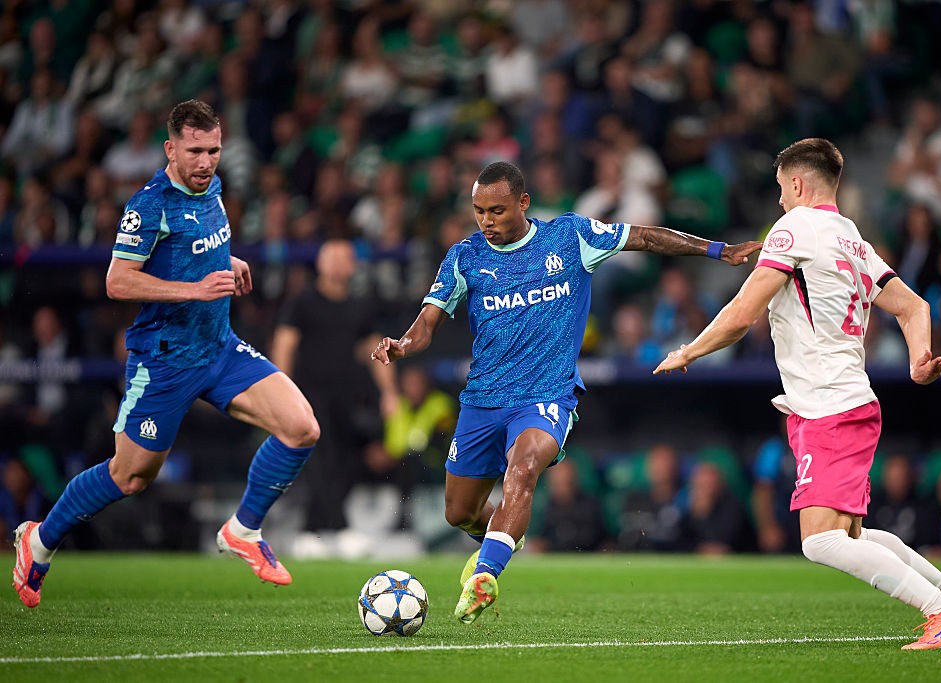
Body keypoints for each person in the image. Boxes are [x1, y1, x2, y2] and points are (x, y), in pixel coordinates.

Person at [371, 160, 760, 624]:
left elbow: (646, 237)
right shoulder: (465, 256)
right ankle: (504, 533)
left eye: (497, 210)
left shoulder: (570, 237)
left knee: (523, 467)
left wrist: (717, 250)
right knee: (459, 512)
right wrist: (402, 345)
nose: (486, 221)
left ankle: (485, 576)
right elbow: (426, 323)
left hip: (546, 394)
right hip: (483, 399)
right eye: (479, 211)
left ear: (523, 202)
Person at [654, 138, 941, 651]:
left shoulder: (793, 228)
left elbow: (742, 314)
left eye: (781, 188)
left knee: (820, 541)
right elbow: (914, 306)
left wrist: (689, 350)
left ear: (797, 183)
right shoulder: (852, 239)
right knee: (849, 535)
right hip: (841, 401)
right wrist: (919, 361)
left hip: (830, 404)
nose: (779, 200)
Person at [12, 100, 320, 609]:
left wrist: (227, 260)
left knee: (301, 427)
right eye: (194, 151)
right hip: (165, 360)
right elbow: (117, 281)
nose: (206, 162)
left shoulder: (212, 189)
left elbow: (190, 248)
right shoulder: (149, 205)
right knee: (130, 475)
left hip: (218, 347)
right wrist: (194, 289)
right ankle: (39, 542)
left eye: (213, 150)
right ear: (170, 149)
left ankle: (243, 529)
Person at [270, 239, 396, 535]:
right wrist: (280, 393)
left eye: (344, 259)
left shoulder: (359, 306)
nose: (338, 265)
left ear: (353, 266)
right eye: (332, 258)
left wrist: (390, 393)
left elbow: (377, 350)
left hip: (347, 396)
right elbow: (284, 345)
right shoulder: (302, 302)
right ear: (320, 264)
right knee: (320, 459)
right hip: (309, 395)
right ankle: (338, 528)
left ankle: (313, 531)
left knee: (346, 462)